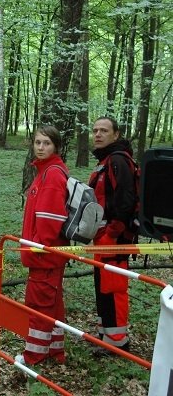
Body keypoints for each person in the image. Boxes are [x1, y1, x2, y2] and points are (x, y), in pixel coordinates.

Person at [16, 125, 69, 365]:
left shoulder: (52, 174)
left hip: (44, 256)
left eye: (46, 143)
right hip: (48, 256)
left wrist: (36, 250)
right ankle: (54, 350)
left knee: (39, 304)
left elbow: (50, 222)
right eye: (37, 142)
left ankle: (33, 355)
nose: (40, 147)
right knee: (53, 304)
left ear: (56, 146)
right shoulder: (45, 171)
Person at [88, 116, 136, 354]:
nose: (98, 134)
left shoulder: (118, 160)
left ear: (116, 135)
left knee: (113, 287)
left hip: (114, 237)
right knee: (102, 286)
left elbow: (126, 200)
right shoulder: (105, 160)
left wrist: (113, 232)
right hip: (102, 236)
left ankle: (118, 342)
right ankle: (104, 334)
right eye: (95, 130)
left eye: (104, 130)